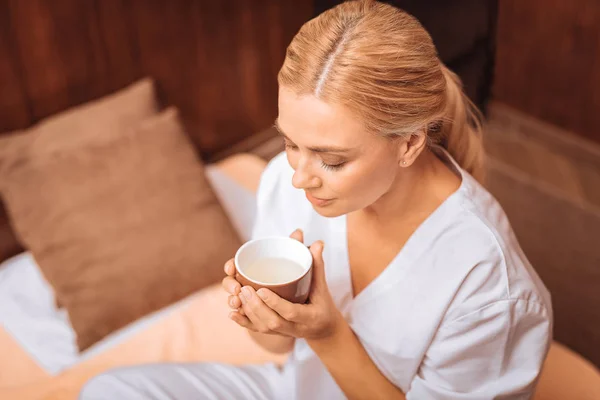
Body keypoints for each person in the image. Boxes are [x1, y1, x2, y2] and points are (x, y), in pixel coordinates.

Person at [80, 1, 552, 398]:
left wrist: (326, 334)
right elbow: (277, 352)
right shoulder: (288, 185)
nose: (299, 177)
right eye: (289, 143)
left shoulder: (489, 289)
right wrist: (264, 318)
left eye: (331, 159)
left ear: (408, 143)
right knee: (108, 391)